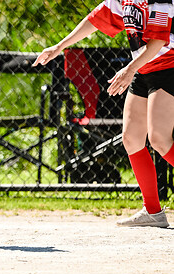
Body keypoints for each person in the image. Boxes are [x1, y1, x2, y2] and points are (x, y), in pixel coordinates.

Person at [33, 1, 173, 228]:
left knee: (159, 139)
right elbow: (95, 20)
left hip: (168, 67)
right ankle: (153, 211)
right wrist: (58, 47)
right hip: (143, 68)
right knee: (131, 138)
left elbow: (157, 42)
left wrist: (129, 69)